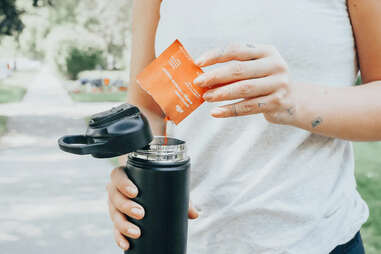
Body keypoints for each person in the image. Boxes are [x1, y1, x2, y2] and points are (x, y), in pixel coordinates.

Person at [106, 0, 381, 253]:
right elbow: (147, 109)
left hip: (318, 240)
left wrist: (293, 100)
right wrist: (139, 182)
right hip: (186, 240)